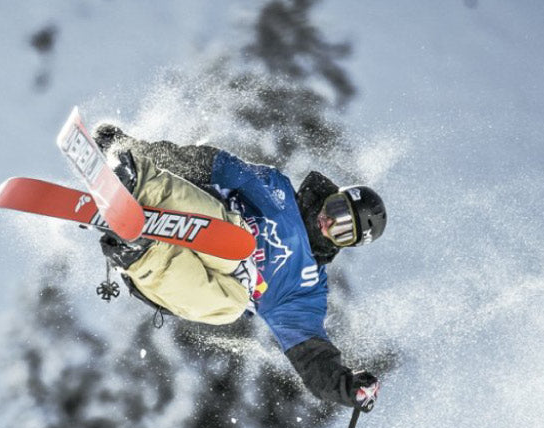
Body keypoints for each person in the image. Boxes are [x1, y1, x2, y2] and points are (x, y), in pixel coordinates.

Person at [91, 124, 385, 412]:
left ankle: (141, 253)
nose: (330, 222)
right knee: (238, 242)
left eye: (344, 230)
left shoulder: (305, 290)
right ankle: (140, 185)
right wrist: (132, 150)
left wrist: (344, 385)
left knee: (233, 305)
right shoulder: (276, 190)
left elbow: (313, 357)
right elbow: (210, 164)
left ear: (346, 243)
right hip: (193, 217)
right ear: (331, 196)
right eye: (336, 210)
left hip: (170, 276)